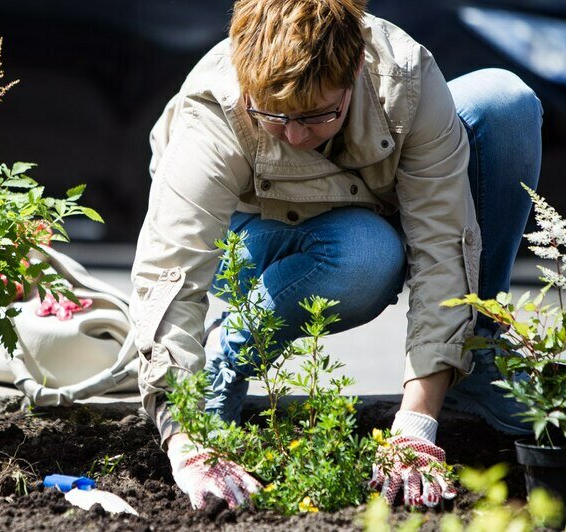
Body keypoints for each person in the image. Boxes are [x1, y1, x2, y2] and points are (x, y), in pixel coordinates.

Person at [130, 0, 542, 510]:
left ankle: (469, 360)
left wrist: (416, 421)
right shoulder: (215, 110)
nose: (297, 135)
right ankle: (227, 355)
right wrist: (186, 438)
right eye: (276, 117)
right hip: (252, 234)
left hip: (366, 206)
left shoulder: (405, 78)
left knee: (503, 104)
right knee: (365, 253)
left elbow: (443, 244)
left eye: (317, 115)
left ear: (354, 74)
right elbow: (170, 274)